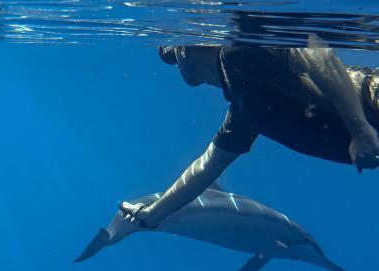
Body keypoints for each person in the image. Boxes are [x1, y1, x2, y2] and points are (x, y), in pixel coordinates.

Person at [120, 39, 379, 228]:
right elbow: (206, 168)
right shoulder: (244, 109)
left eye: (171, 55)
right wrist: (153, 215)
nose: (174, 64)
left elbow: (317, 54)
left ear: (185, 49)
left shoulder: (238, 53)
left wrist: (359, 129)